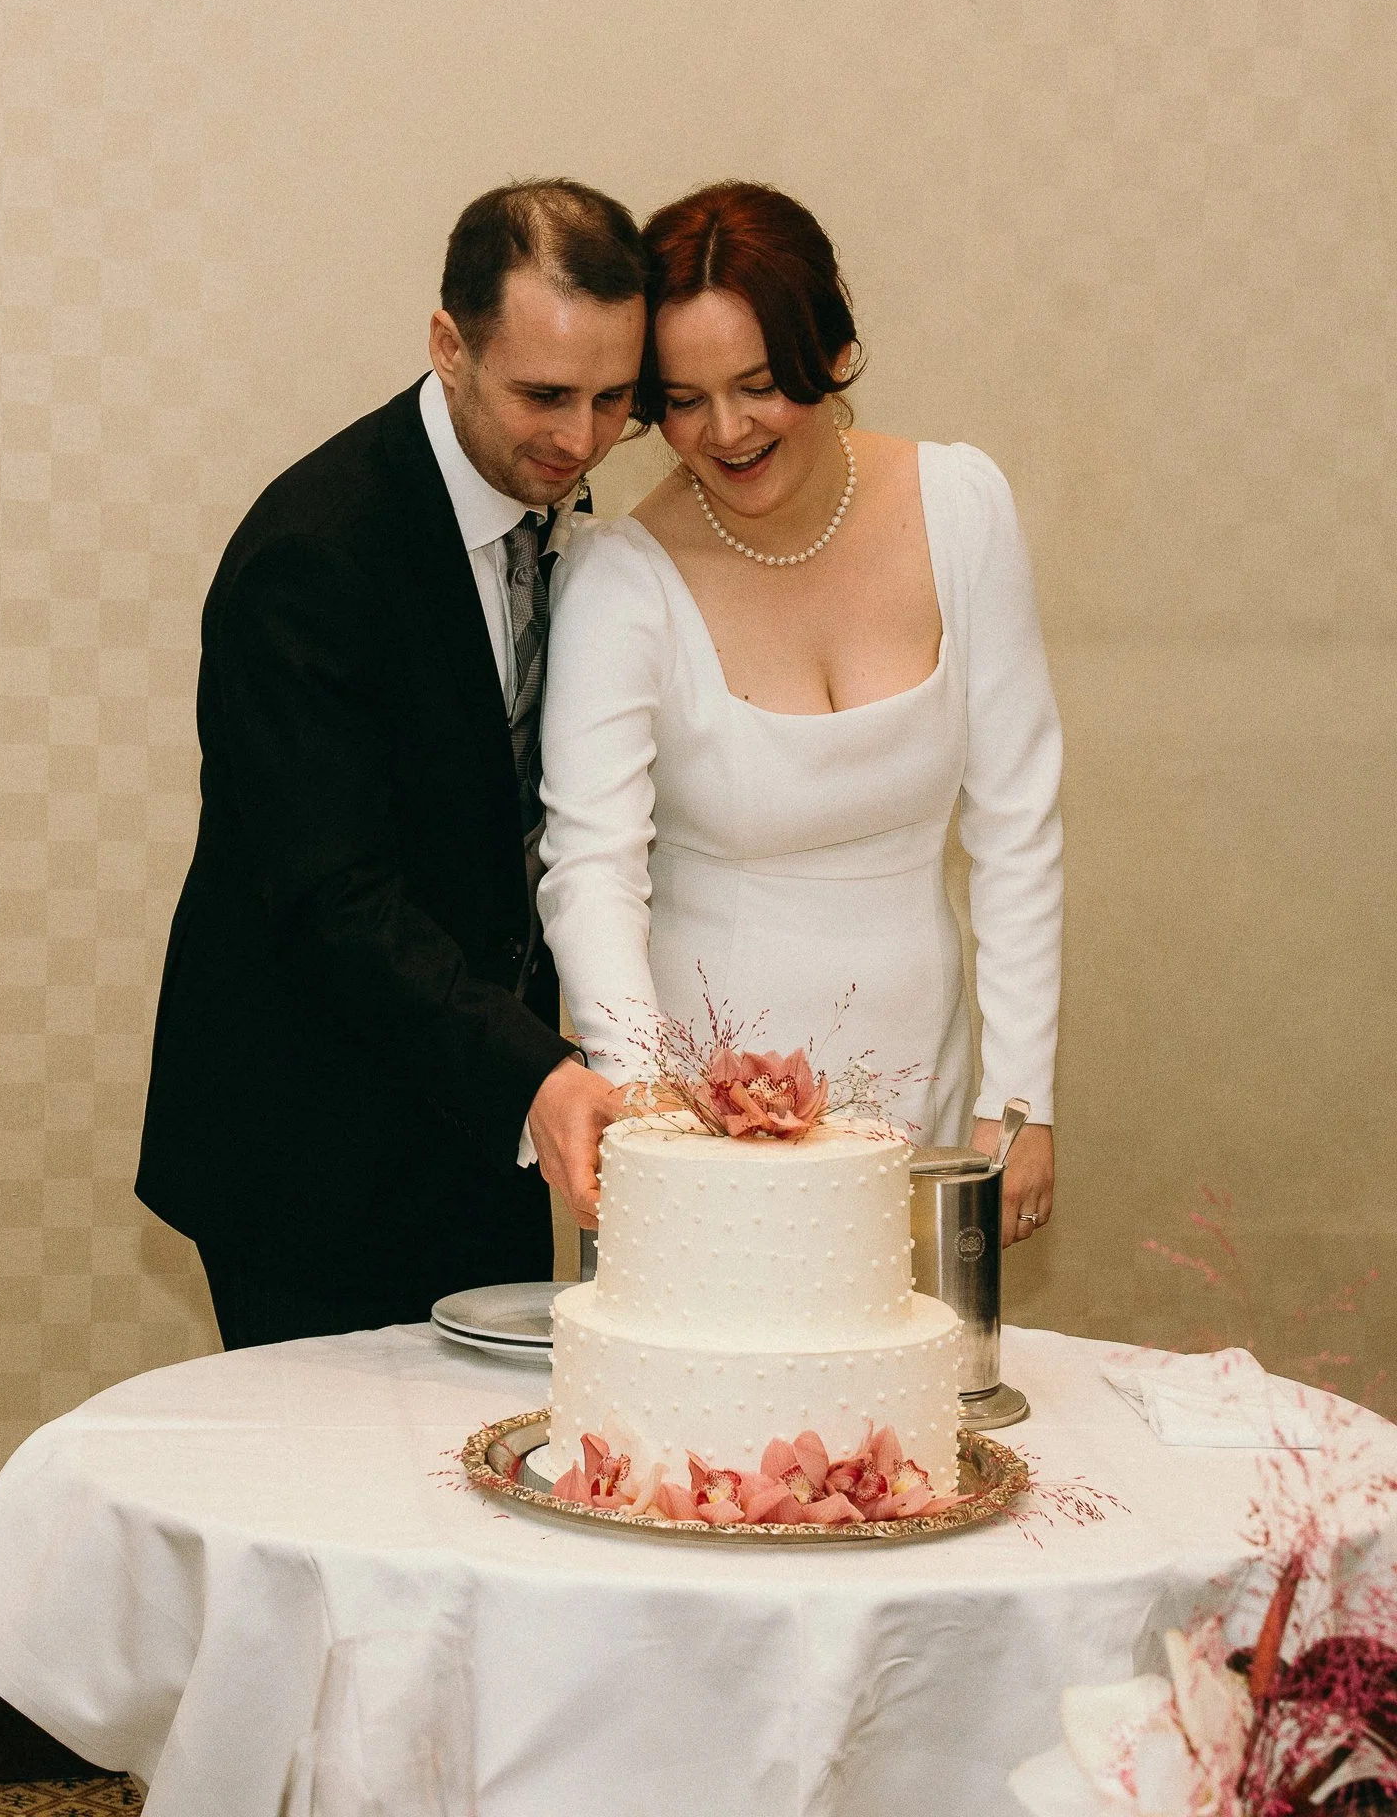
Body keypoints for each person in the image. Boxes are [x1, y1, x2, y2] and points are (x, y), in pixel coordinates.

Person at [136, 179, 642, 1347]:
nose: (579, 439)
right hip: (310, 1148)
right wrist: (536, 1071)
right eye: (545, 395)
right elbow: (332, 893)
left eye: (616, 398)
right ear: (448, 346)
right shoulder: (312, 554)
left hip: (485, 1131)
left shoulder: (573, 513)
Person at [537, 181, 1062, 1247]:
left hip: (924, 1070)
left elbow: (1018, 826)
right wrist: (644, 1104)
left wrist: (1018, 1099)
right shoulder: (616, 578)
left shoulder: (962, 506)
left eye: (762, 384)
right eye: (682, 399)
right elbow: (592, 866)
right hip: (695, 1108)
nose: (725, 431)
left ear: (832, 350)